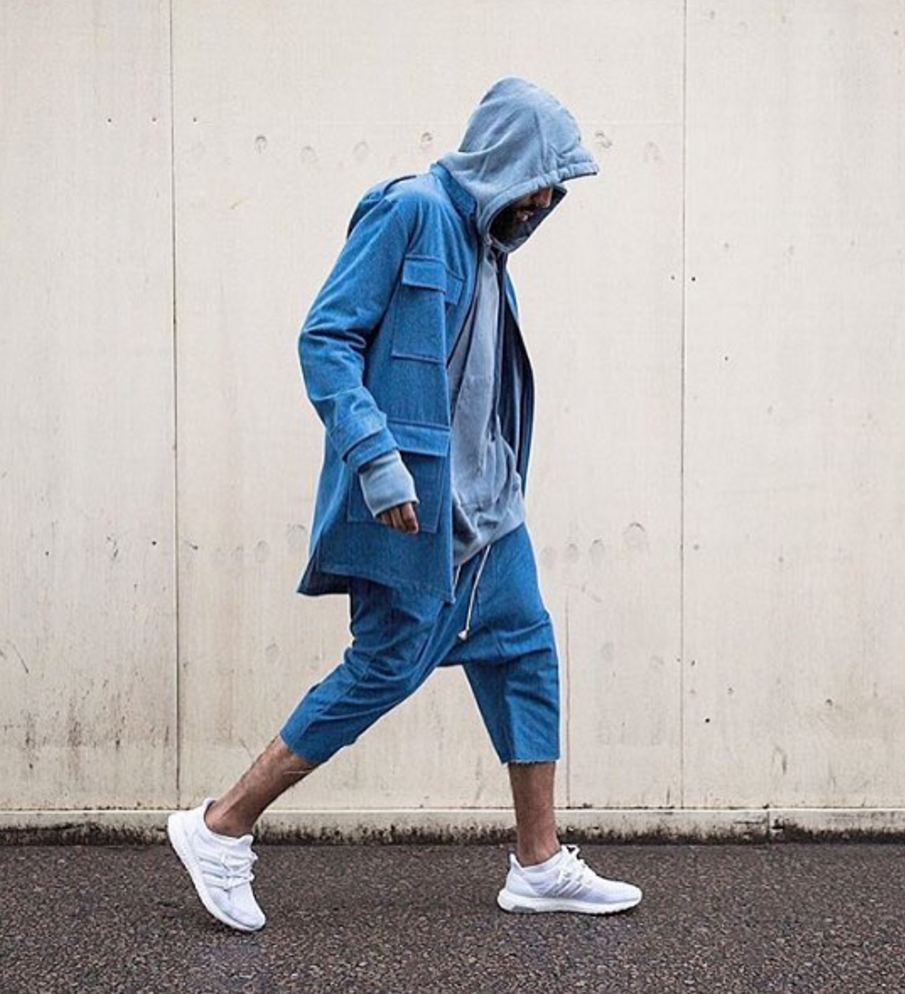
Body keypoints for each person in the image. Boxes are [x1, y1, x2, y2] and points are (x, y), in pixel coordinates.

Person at [167, 77, 642, 932]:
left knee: (527, 657)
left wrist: (501, 477)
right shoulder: (410, 212)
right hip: (418, 515)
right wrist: (378, 462)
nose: (546, 200)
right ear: (505, 159)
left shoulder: (490, 250)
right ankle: (220, 828)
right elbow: (326, 337)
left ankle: (538, 863)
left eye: (555, 188)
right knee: (383, 669)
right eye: (541, 179)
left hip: (490, 515)